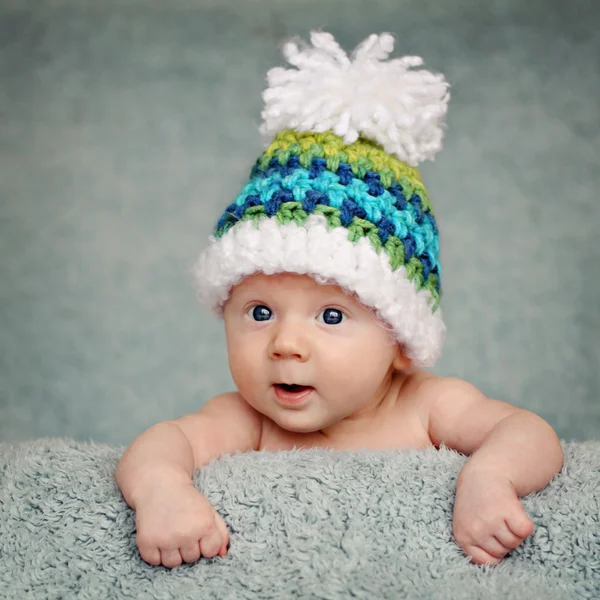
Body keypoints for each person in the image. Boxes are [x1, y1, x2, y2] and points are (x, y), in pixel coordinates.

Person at [115, 31, 563, 569]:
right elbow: (162, 445)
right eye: (260, 312)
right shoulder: (248, 420)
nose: (285, 344)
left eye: (331, 315)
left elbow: (530, 433)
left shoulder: (426, 406)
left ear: (399, 338)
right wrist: (162, 491)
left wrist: (490, 477)